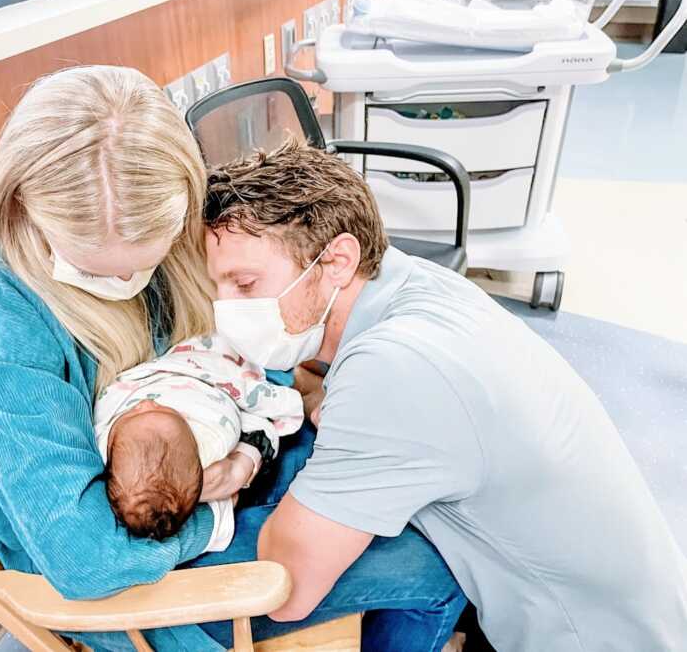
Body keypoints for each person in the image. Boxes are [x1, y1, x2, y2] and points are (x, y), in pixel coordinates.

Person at [0, 66, 465, 652]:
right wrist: (213, 512)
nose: (124, 283)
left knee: (429, 495)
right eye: (95, 269)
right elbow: (85, 558)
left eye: (145, 261)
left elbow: (233, 357)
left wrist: (251, 450)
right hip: (130, 563)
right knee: (445, 559)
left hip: (232, 456)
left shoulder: (182, 214)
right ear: (26, 212)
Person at [202, 136, 687, 652]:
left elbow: (286, 587)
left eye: (246, 284)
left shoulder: (393, 371)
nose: (225, 309)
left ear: (338, 260)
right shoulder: (413, 282)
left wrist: (246, 463)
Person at [93, 332, 303, 542]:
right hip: (214, 371)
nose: (146, 404)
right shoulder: (213, 439)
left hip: (170, 363)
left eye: (135, 414)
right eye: (166, 411)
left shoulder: (107, 447)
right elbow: (259, 428)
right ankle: (301, 387)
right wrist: (242, 464)